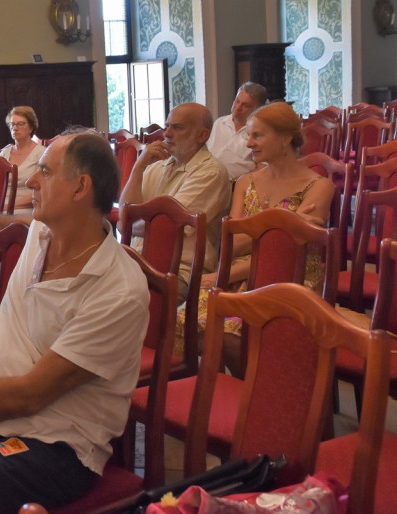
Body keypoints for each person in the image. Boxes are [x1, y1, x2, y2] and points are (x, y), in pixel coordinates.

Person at [0, 132, 149, 513]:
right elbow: (29, 222)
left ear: (81, 187)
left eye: (44, 171)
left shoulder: (119, 290)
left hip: (56, 443)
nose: (29, 180)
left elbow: (30, 395)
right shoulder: (44, 233)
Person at [184, 101, 335, 374]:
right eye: (249, 136)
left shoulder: (320, 186)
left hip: (289, 281)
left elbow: (285, 254)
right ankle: (226, 396)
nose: (249, 144)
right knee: (184, 321)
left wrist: (255, 236)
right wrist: (281, 224)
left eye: (258, 135)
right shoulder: (245, 182)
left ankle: (259, 399)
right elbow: (232, 245)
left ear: (286, 138)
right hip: (238, 275)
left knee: (231, 336)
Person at [119, 103, 232, 304]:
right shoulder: (155, 167)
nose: (166, 133)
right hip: (137, 265)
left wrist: (130, 225)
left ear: (202, 135)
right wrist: (138, 167)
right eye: (167, 126)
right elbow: (123, 222)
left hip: (177, 273)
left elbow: (163, 230)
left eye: (177, 128)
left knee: (109, 298)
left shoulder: (211, 172)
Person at [208, 82, 268, 180]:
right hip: (204, 178)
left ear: (258, 108)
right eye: (237, 101)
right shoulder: (219, 123)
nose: (238, 107)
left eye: (245, 105)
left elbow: (263, 168)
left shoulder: (261, 132)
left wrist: (240, 184)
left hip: (234, 186)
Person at [0, 105, 44, 215]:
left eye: (20, 124)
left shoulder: (41, 153)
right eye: (12, 124)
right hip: (1, 206)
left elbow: (41, 190)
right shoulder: (5, 152)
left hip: (26, 207)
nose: (15, 128)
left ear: (31, 127)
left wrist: (9, 206)